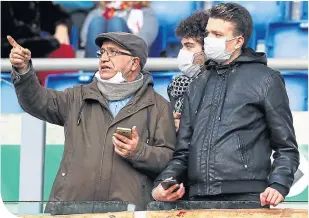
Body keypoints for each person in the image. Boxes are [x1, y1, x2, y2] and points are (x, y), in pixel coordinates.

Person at [7, 32, 176, 212]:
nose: (104, 58)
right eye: (102, 52)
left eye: (113, 52)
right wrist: (24, 70)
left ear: (134, 63)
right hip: (71, 210)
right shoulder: (77, 97)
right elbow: (36, 102)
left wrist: (138, 151)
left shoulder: (159, 107)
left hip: (127, 212)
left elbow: (168, 160)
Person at [152, 2, 299, 208]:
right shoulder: (197, 83)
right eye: (208, 33)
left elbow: (286, 147)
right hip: (197, 197)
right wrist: (163, 182)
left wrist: (279, 184)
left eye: (217, 35)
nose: (209, 40)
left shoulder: (267, 79)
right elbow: (183, 150)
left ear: (238, 40)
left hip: (247, 198)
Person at [1, 1, 76, 86]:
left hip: (36, 53)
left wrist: (61, 26)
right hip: (9, 56)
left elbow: (56, 14)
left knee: (64, 52)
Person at [168, 10, 208, 132]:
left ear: (208, 49)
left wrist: (187, 127)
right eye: (182, 46)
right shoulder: (176, 86)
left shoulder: (218, 87)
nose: (182, 52)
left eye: (189, 46)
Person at [81, 1, 159, 58]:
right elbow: (85, 38)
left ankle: (117, 63)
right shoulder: (97, 12)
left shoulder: (145, 12)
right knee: (97, 22)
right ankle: (96, 66)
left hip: (131, 55)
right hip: (98, 54)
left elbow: (144, 41)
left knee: (116, 22)